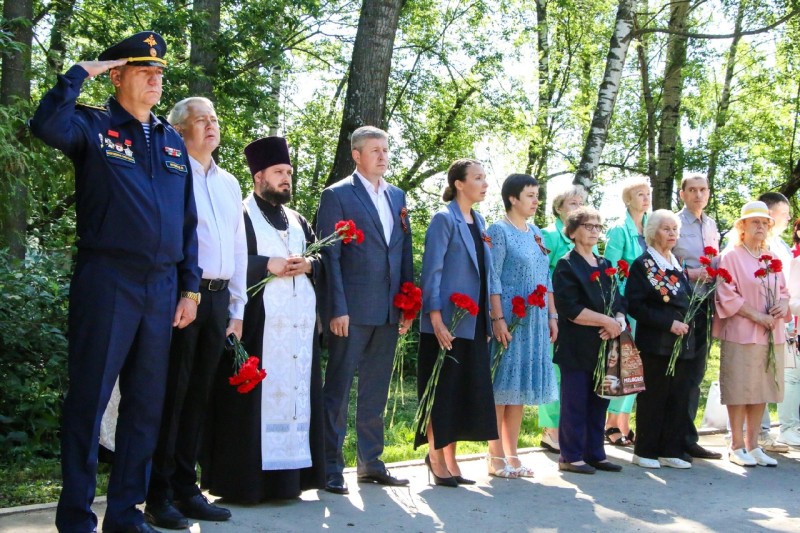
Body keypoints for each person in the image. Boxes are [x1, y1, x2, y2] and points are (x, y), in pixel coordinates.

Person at [29, 32, 201, 533]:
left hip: (162, 288)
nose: (155, 78)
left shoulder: (171, 140)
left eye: (160, 72)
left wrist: (189, 288)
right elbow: (45, 124)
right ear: (119, 75)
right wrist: (85, 69)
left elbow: (187, 222)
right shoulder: (93, 125)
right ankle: (77, 517)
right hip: (108, 280)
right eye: (144, 69)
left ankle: (126, 513)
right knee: (90, 400)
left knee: (146, 406)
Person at [201, 137, 326, 502]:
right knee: (248, 408)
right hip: (255, 329)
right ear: (258, 176)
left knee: (295, 400)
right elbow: (222, 260)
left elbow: (322, 261)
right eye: (278, 173)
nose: (286, 179)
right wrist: (264, 265)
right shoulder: (239, 214)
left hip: (298, 336)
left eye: (288, 172)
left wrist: (310, 264)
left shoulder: (298, 219)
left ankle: (291, 482)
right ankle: (245, 484)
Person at [144, 98, 246, 528]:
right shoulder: (170, 171)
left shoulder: (229, 183)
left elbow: (239, 248)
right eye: (201, 120)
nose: (211, 125)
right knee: (173, 394)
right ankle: (158, 493)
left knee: (200, 397)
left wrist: (237, 308)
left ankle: (189, 489)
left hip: (219, 299)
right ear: (180, 129)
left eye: (215, 119)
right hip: (183, 296)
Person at [316, 126, 414, 494]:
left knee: (375, 390)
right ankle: (329, 467)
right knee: (338, 391)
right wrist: (335, 310)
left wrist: (408, 303)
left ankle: (371, 463)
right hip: (350, 312)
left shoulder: (397, 195)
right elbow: (331, 256)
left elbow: (403, 252)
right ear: (356, 155)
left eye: (386, 150)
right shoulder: (337, 195)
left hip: (390, 312)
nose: (383, 156)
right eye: (375, 150)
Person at [415, 159, 499, 485]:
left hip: (474, 323)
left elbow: (487, 276)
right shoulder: (442, 219)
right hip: (446, 323)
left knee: (463, 393)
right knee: (442, 392)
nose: (485, 183)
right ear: (459, 183)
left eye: (485, 177)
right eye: (478, 178)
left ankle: (451, 459)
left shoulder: (480, 222)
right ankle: (435, 457)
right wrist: (435, 318)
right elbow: (431, 272)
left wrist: (492, 322)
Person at [487, 174, 558, 477]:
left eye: (537, 195)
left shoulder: (537, 232)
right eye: (530, 195)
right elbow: (492, 277)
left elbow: (546, 277)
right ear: (512, 198)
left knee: (518, 391)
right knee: (502, 388)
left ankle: (512, 454)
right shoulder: (498, 231)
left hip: (536, 321)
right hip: (509, 321)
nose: (535, 201)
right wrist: (498, 318)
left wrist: (553, 316)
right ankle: (494, 457)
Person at [714, 200, 790, 467]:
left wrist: (782, 304)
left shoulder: (772, 257)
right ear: (742, 226)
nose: (761, 226)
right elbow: (726, 294)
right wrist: (758, 316)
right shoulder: (730, 256)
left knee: (762, 387)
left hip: (771, 334)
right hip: (742, 332)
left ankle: (754, 445)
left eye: (765, 222)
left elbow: (783, 290)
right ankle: (736, 445)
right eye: (755, 222)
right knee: (739, 387)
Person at [553, 207, 625, 474]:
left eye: (598, 226)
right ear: (572, 232)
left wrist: (618, 320)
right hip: (576, 345)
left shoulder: (605, 265)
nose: (594, 231)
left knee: (600, 401)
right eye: (588, 226)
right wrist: (605, 321)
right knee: (575, 402)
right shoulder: (566, 264)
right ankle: (570, 456)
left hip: (604, 344)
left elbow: (618, 300)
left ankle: (595, 453)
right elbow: (569, 308)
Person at [626, 210, 697, 470]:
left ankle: (671, 450)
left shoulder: (677, 262)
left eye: (675, 229)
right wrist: (669, 324)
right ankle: (645, 450)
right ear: (653, 232)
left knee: (678, 396)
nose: (672, 234)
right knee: (654, 396)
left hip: (683, 344)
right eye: (666, 229)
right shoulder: (643, 264)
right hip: (656, 342)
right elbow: (635, 305)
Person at [671, 174, 723, 461]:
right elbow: (660, 260)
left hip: (706, 305)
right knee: (679, 373)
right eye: (692, 190)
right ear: (683, 194)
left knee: (696, 376)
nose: (698, 195)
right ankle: (672, 438)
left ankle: (689, 438)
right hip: (680, 305)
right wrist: (691, 274)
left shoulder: (712, 225)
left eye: (703, 190)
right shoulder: (673, 222)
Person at [538, 187, 590, 453]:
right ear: (559, 208)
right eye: (572, 203)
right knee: (552, 371)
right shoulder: (548, 235)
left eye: (582, 203)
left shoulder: (582, 239)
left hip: (578, 314)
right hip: (554, 311)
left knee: (570, 373)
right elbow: (542, 273)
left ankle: (570, 429)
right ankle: (550, 430)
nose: (578, 207)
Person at [603, 177, 651, 446]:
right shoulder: (619, 230)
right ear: (627, 200)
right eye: (639, 194)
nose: (645, 198)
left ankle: (624, 420)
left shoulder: (651, 227)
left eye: (647, 194)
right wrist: (616, 309)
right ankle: (611, 421)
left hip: (647, 305)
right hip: (625, 305)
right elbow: (609, 271)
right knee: (622, 363)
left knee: (638, 365)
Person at [758, 192, 797, 450]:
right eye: (785, 213)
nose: (789, 218)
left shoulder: (781, 246)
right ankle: (759, 432)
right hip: (760, 318)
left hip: (784, 318)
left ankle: (788, 427)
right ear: (771, 213)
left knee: (785, 374)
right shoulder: (756, 244)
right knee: (758, 374)